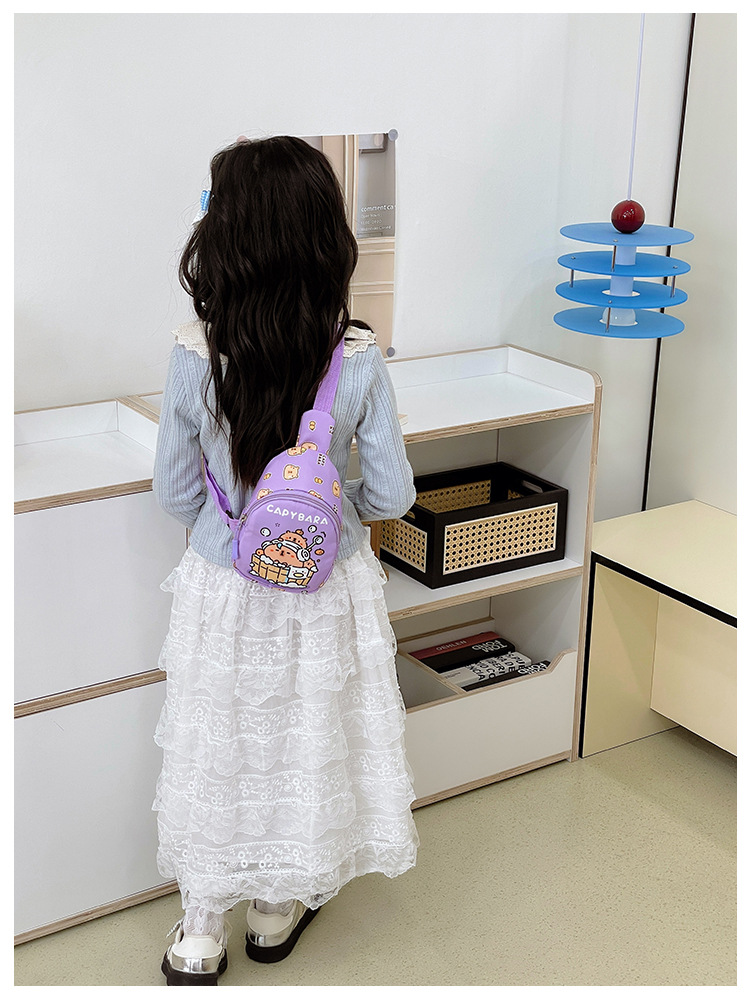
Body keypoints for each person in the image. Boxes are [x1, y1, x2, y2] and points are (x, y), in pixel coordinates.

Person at [152, 135, 419, 986]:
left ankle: (200, 933)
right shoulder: (358, 356)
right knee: (300, 744)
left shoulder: (194, 353)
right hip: (323, 591)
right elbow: (392, 494)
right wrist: (326, 514)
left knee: (220, 747)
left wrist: (234, 530)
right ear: (323, 235)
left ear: (225, 235)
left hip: (224, 588)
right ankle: (274, 910)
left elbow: (174, 493)